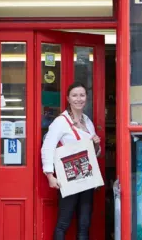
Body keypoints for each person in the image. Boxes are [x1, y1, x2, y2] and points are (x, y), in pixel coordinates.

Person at [41, 81, 101, 240]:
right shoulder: (60, 122)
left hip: (87, 176)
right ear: (68, 98)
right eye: (75, 95)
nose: (79, 99)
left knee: (84, 223)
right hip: (69, 176)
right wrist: (49, 175)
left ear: (86, 98)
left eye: (82, 95)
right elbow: (47, 147)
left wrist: (96, 144)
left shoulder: (88, 122)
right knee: (63, 222)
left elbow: (95, 154)